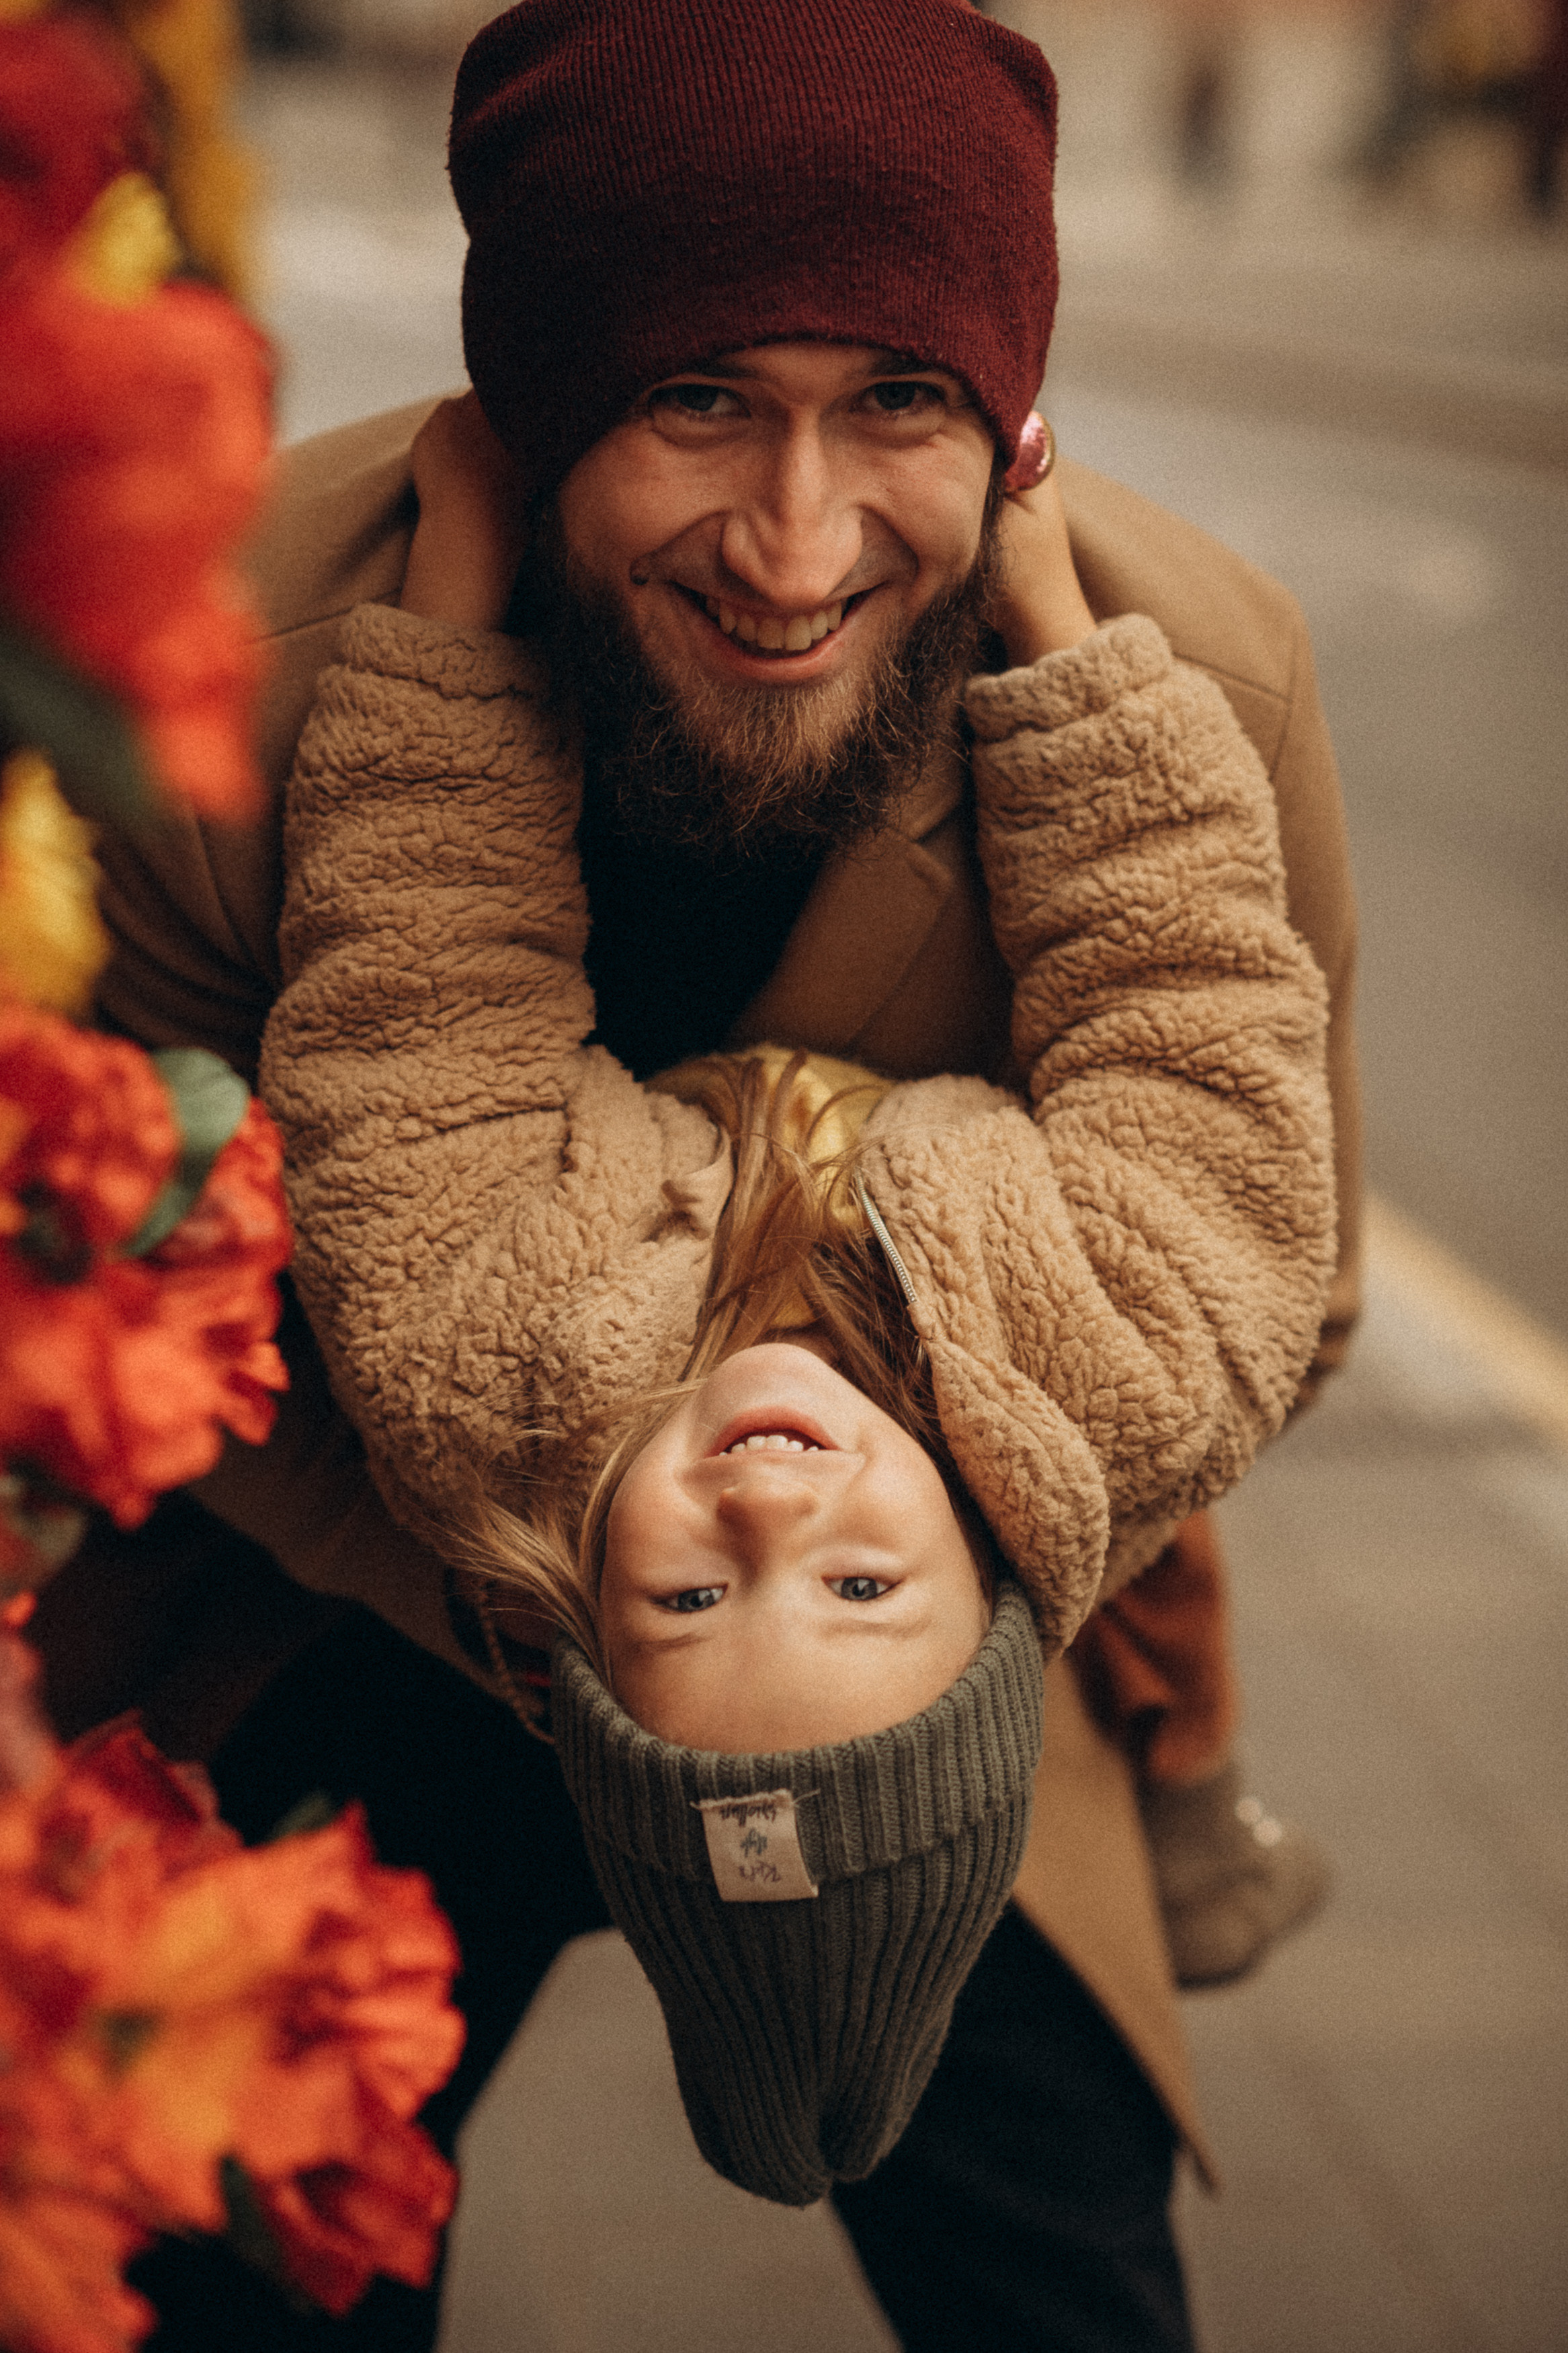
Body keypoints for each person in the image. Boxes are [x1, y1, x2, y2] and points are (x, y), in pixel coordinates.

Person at [60, 0, 1365, 2343]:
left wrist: (928, 1560)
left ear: (1007, 415)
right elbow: (150, 1290)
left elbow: (1272, 1222)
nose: (795, 543)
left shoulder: (1201, 681)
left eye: (902, 401)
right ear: (536, 394)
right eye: (694, 400)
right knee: (238, 2240)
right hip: (365, 1570)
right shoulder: (210, 681)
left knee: (1061, 2259)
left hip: (930, 1629)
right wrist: (571, 1560)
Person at [257, 391, 1333, 2204]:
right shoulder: (1132, 1362)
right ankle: (1192, 1788)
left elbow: (418, 1004)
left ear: (581, 1611)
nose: (770, 1512)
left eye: (690, 1596)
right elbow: (1186, 997)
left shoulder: (483, 1373)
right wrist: (1049, 614)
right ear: (991, 1585)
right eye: (860, 1586)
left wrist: (455, 588)